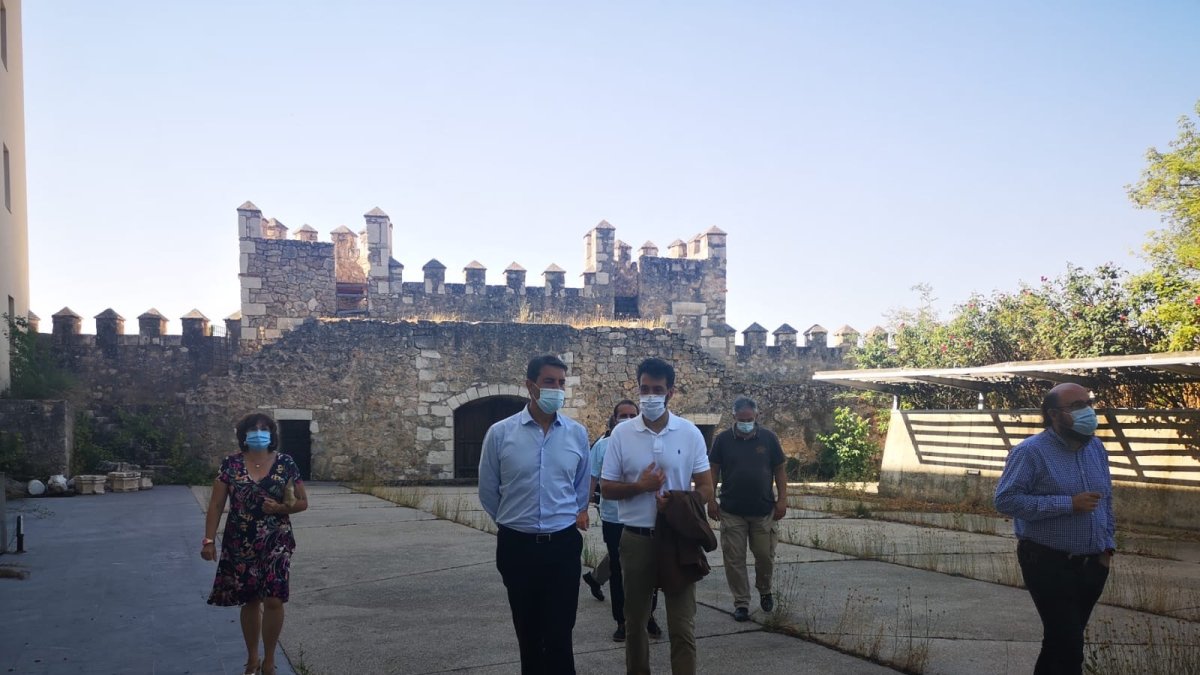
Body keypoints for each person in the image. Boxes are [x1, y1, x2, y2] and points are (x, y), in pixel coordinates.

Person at [478, 355, 591, 675]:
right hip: (518, 546)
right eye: (549, 382)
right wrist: (515, 521)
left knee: (560, 631)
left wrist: (567, 515)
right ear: (531, 386)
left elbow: (581, 489)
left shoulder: (576, 434)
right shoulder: (500, 434)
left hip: (563, 546)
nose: (557, 389)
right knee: (528, 632)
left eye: (561, 383)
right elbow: (488, 490)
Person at [601, 357, 714, 675]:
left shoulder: (689, 433)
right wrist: (641, 486)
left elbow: (706, 488)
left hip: (678, 540)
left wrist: (680, 502)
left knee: (681, 625)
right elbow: (606, 488)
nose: (650, 396)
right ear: (637, 389)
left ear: (671, 392)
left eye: (658, 390)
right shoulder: (622, 434)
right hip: (637, 538)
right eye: (644, 389)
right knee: (635, 622)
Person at [995, 383, 1116, 675]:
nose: (1087, 411)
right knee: (1069, 646)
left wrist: (1107, 548)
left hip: (1092, 564)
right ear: (1053, 414)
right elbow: (1006, 500)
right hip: (1048, 561)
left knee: (1059, 643)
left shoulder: (1096, 448)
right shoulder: (1030, 452)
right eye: (1076, 406)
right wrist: (1067, 504)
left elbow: (1106, 499)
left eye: (1088, 403)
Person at [203, 412, 309, 675]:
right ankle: (252, 659)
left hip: (276, 540)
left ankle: (270, 660)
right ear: (244, 435)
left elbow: (302, 502)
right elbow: (216, 504)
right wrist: (208, 539)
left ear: (272, 434)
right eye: (254, 429)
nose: (259, 433)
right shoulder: (231, 465)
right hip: (240, 541)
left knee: (274, 600)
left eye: (264, 429)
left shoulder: (286, 463)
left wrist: (280, 508)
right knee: (249, 600)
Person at [582, 400, 663, 642]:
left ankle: (649, 616)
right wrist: (582, 508)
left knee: (652, 570)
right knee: (618, 570)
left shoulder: (652, 443)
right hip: (613, 517)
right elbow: (592, 479)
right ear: (614, 419)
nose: (626, 419)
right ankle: (622, 620)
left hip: (647, 518)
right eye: (622, 415)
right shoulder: (603, 446)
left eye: (631, 415)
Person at [707, 396, 787, 622]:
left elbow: (780, 470)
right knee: (734, 559)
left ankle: (765, 589)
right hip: (732, 510)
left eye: (749, 419)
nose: (745, 423)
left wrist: (782, 499)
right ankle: (741, 603)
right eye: (742, 419)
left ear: (756, 416)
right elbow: (713, 470)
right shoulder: (722, 440)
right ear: (734, 417)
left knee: (764, 556)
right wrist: (710, 500)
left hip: (763, 510)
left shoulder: (769, 438)